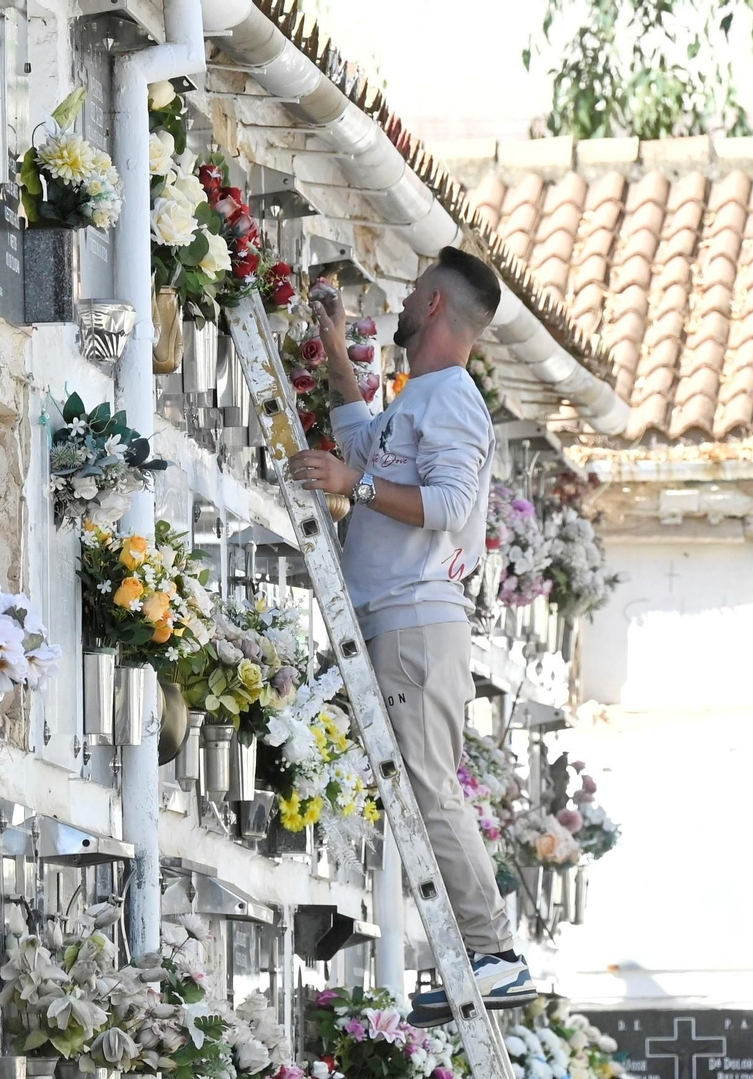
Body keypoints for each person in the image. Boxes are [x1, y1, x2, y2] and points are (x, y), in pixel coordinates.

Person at [287, 247, 535, 1017]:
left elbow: (448, 506)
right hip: (398, 619)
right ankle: (488, 948)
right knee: (423, 787)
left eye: (414, 288)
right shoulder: (419, 397)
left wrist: (352, 486)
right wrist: (333, 354)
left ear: (433, 306)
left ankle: (493, 951)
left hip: (417, 622)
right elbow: (362, 449)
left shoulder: (453, 399)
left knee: (429, 788)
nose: (401, 299)